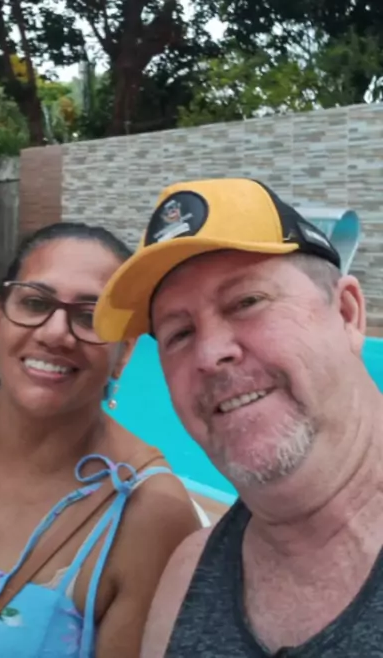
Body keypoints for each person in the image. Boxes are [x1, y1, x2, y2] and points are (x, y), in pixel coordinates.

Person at [94, 177, 383, 657]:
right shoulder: (185, 582)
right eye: (179, 334)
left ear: (348, 313)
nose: (210, 354)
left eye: (247, 302)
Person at [0, 222, 200, 658]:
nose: (56, 332)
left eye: (90, 316)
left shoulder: (149, 517)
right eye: (35, 302)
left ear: (125, 351)